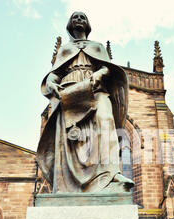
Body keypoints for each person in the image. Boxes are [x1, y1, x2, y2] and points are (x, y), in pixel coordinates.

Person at [37, 11, 134, 193]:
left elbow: (108, 68)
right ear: (70, 24)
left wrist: (99, 74)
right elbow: (54, 74)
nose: (79, 20)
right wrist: (51, 83)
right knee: (69, 138)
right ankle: (66, 182)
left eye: (82, 17)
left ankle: (112, 174)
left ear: (88, 24)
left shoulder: (97, 47)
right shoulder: (64, 50)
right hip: (69, 93)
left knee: (106, 122)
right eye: (75, 18)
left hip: (96, 89)